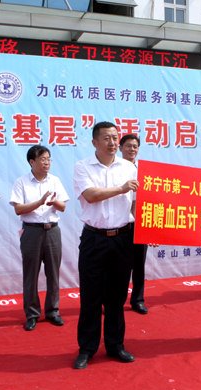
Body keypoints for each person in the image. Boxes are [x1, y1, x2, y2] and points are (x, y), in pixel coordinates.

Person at [72, 121, 139, 369]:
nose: (112, 142)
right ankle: (87, 348)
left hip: (122, 238)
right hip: (94, 239)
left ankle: (115, 345)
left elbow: (136, 202)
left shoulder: (129, 167)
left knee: (117, 296)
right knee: (90, 296)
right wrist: (120, 189)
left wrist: (147, 228)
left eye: (115, 137)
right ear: (95, 142)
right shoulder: (82, 167)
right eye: (107, 138)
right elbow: (90, 195)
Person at [10, 145, 69, 331]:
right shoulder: (21, 182)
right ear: (32, 162)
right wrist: (40, 202)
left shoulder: (55, 180)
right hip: (31, 231)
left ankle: (53, 311)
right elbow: (18, 209)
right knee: (31, 274)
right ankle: (32, 314)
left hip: (52, 231)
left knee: (53, 273)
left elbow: (62, 207)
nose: (46, 163)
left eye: (48, 159)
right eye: (42, 159)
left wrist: (53, 201)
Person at [119, 134, 148, 315]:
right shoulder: (115, 169)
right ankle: (116, 300)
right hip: (120, 223)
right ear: (120, 148)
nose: (132, 149)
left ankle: (138, 299)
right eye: (128, 146)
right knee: (119, 266)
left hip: (140, 223)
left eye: (135, 146)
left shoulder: (145, 170)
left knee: (139, 264)